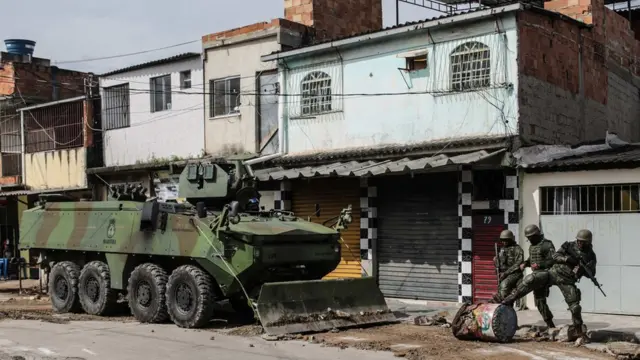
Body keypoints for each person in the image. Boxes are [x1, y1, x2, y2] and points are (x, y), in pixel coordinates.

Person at [501, 229, 597, 341]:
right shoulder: (569, 245)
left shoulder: (590, 256)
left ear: (588, 242)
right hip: (553, 273)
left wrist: (582, 270)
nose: (580, 243)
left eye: (583, 242)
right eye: (579, 240)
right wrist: (567, 259)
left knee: (575, 307)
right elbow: (555, 256)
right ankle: (510, 299)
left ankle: (579, 331)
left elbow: (592, 272)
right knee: (532, 279)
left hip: (567, 280)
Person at [517, 224, 557, 329]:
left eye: (530, 237)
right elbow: (532, 259)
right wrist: (525, 263)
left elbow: (553, 260)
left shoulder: (547, 245)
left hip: (545, 275)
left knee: (540, 300)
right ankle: (549, 324)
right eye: (528, 238)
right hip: (536, 276)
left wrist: (540, 265)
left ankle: (550, 324)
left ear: (536, 235)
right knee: (539, 301)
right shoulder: (532, 246)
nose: (529, 239)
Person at [492, 229, 524, 306]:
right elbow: (500, 263)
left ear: (511, 239)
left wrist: (506, 273)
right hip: (503, 274)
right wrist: (496, 261)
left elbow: (518, 263)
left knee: (504, 285)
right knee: (502, 290)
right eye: (502, 240)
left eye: (506, 240)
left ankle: (504, 304)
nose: (504, 242)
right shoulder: (502, 249)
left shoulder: (517, 249)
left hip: (514, 273)